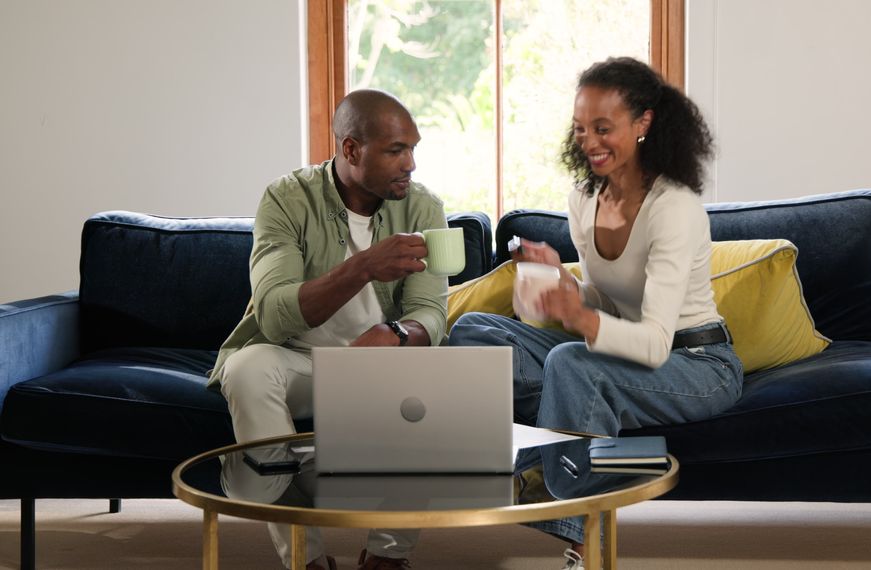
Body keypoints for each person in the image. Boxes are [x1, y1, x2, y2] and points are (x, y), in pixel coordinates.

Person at [449, 57, 744, 569]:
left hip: (696, 363)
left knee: (569, 363)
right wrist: (564, 286)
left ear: (644, 124)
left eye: (603, 128)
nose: (590, 142)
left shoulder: (674, 209)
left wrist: (579, 319)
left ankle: (579, 531)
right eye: (581, 129)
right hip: (619, 351)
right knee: (474, 330)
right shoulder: (584, 199)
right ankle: (589, 433)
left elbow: (653, 342)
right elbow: (608, 302)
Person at [208, 89, 447, 570]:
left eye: (414, 149)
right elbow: (274, 314)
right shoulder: (286, 199)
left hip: (378, 370)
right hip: (298, 359)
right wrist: (362, 267)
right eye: (397, 150)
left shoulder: (424, 208)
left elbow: (431, 315)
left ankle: (387, 557)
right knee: (247, 368)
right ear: (351, 149)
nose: (411, 164)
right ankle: (307, 559)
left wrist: (398, 336)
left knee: (435, 387)